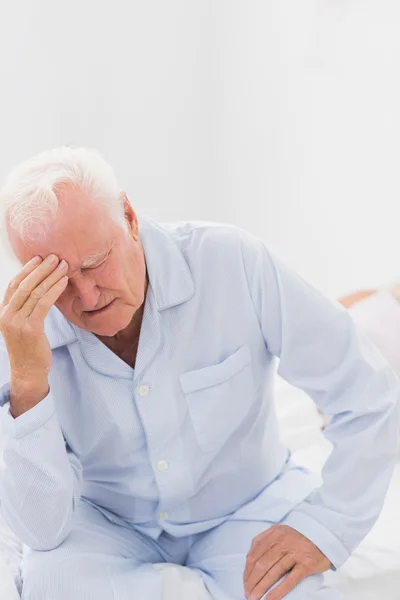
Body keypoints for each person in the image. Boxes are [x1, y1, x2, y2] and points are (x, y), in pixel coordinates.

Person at [0, 147, 398, 600]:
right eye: (59, 282)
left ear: (129, 217)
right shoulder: (24, 335)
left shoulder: (232, 262)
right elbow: (41, 531)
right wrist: (28, 384)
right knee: (48, 585)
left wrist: (328, 526)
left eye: (94, 264)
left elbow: (367, 395)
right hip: (106, 525)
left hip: (248, 507)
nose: (87, 297)